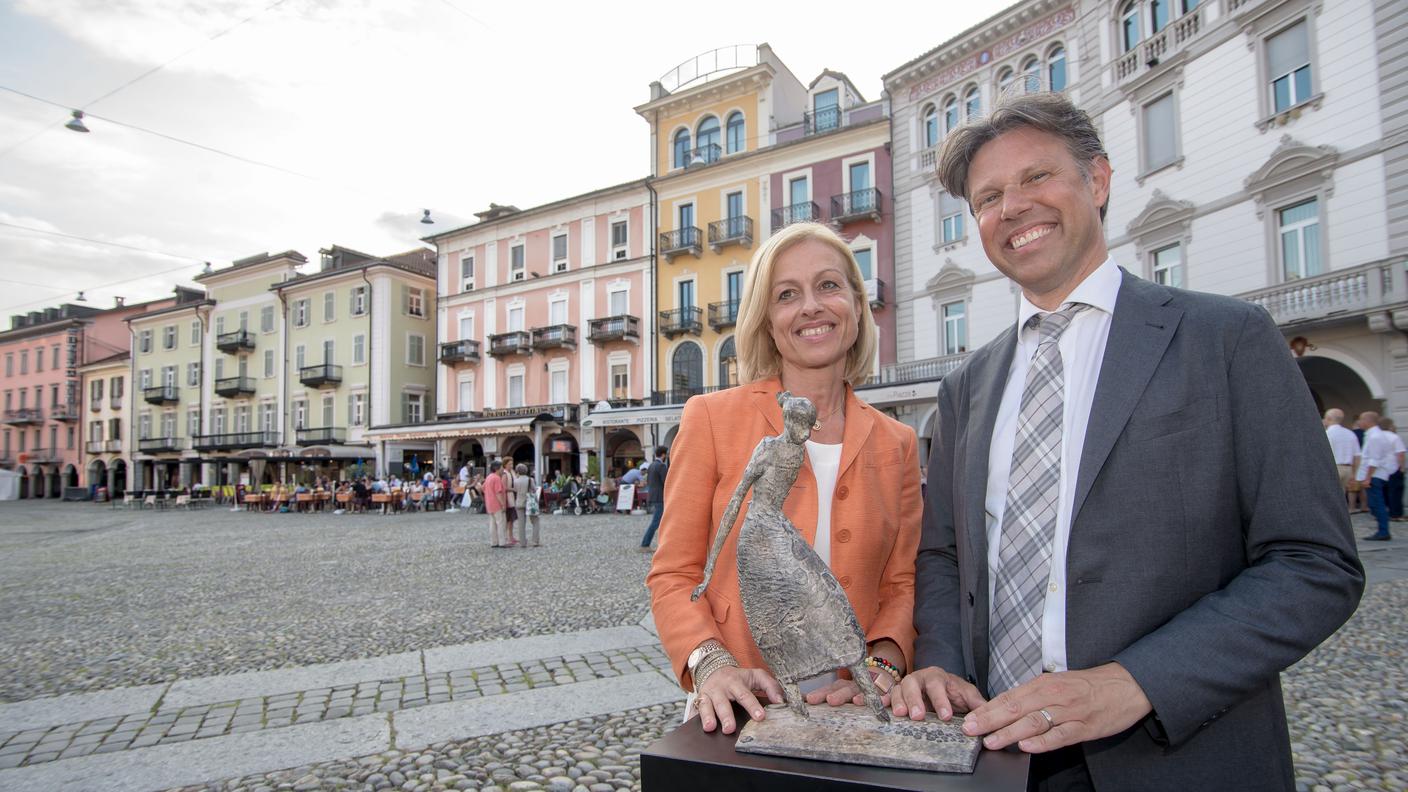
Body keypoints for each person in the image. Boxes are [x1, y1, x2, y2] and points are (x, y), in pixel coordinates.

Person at [899, 92, 1364, 790]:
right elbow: (943, 554)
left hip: (1177, 756)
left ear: (1099, 179)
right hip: (997, 754)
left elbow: (1314, 563)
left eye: (1036, 177)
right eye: (988, 197)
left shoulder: (1227, 340)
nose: (1013, 207)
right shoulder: (967, 385)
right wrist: (938, 660)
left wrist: (1135, 682)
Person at [646, 221, 923, 736]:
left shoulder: (898, 442)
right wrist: (710, 664)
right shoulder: (710, 418)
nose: (811, 307)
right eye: (787, 294)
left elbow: (901, 584)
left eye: (829, 286)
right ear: (767, 320)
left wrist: (884, 665)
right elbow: (675, 574)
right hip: (740, 707)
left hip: (857, 713)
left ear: (857, 307)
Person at [1359, 411, 1396, 541]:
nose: (1359, 422)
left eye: (1361, 419)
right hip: (1374, 474)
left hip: (1375, 475)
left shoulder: (1375, 436)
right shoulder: (1373, 435)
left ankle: (1383, 531)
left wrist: (1368, 477)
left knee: (1377, 503)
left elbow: (1374, 459)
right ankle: (1383, 529)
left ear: (1368, 421)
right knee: (1374, 504)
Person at [1324, 408, 1361, 513]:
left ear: (1329, 418)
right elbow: (1357, 456)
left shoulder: (1327, 434)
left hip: (1333, 467)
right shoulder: (1350, 434)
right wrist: (1354, 473)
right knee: (1341, 496)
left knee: (1330, 495)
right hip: (1348, 468)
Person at [638, 447, 670, 551]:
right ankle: (645, 544)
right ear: (663, 455)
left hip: (653, 495)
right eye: (666, 454)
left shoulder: (651, 465)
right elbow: (667, 482)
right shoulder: (661, 466)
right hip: (660, 497)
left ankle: (664, 543)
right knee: (656, 522)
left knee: (660, 521)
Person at [1383, 417, 1407, 523]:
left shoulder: (1376, 436)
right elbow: (1400, 454)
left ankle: (1387, 511)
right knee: (1396, 492)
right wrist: (1402, 467)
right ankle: (1396, 514)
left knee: (1385, 492)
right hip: (1394, 468)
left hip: (1382, 469)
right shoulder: (1394, 437)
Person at [482, 460, 509, 548]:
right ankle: (502, 542)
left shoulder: (489, 477)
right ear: (497, 468)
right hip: (497, 504)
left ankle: (494, 542)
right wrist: (503, 504)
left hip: (489, 503)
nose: (502, 469)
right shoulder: (497, 478)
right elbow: (498, 493)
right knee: (501, 523)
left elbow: (483, 488)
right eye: (501, 467)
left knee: (492, 524)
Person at [514, 463, 539, 547]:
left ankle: (522, 542)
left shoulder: (516, 480)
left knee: (521, 524)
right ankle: (535, 541)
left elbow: (515, 490)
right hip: (529, 502)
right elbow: (534, 490)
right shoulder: (530, 480)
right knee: (535, 521)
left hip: (519, 502)